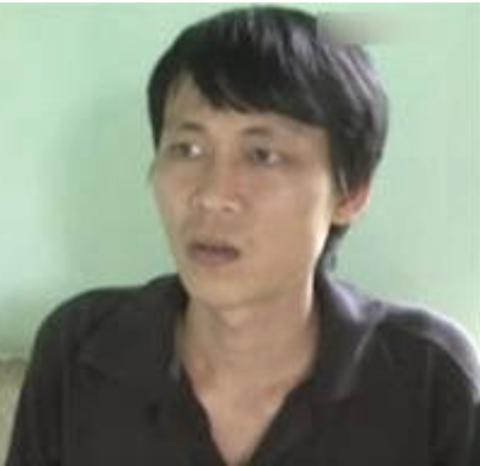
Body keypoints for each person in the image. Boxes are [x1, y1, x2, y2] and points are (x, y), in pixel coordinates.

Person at [6, 6, 480, 466]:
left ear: (350, 193)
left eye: (262, 155)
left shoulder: (428, 378)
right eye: (187, 149)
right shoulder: (82, 348)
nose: (212, 196)